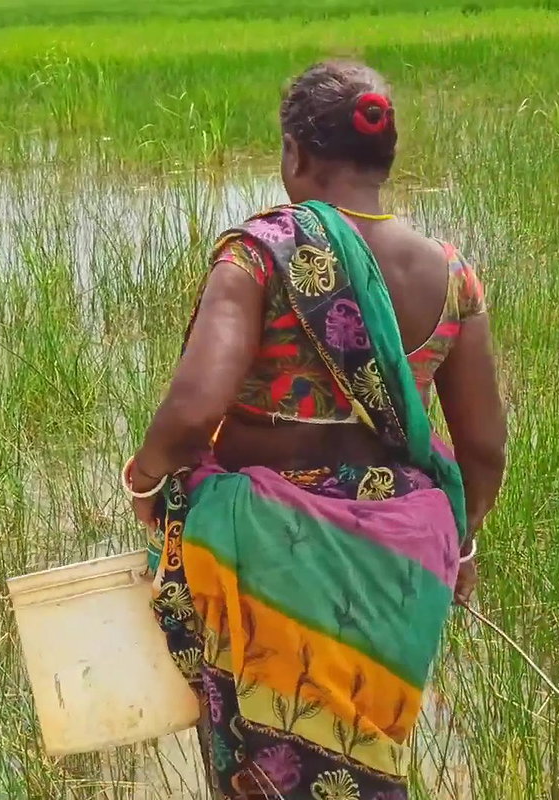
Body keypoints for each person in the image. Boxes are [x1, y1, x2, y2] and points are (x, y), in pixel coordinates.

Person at [126, 59, 507, 799]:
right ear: (383, 156)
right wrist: (459, 544)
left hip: (266, 549)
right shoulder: (451, 275)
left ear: (295, 154)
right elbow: (485, 449)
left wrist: (143, 480)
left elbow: (194, 412)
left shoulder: (260, 254)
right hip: (398, 558)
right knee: (364, 755)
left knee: (262, 767)